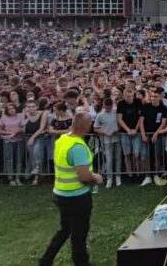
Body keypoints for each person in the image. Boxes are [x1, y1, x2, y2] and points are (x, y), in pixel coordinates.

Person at [40, 111, 102, 266]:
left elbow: (70, 166)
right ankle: (81, 262)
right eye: (90, 123)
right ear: (86, 125)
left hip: (60, 192)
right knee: (79, 234)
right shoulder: (78, 147)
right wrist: (96, 178)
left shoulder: (62, 140)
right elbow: (84, 177)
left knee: (65, 229)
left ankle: (46, 260)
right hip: (77, 196)